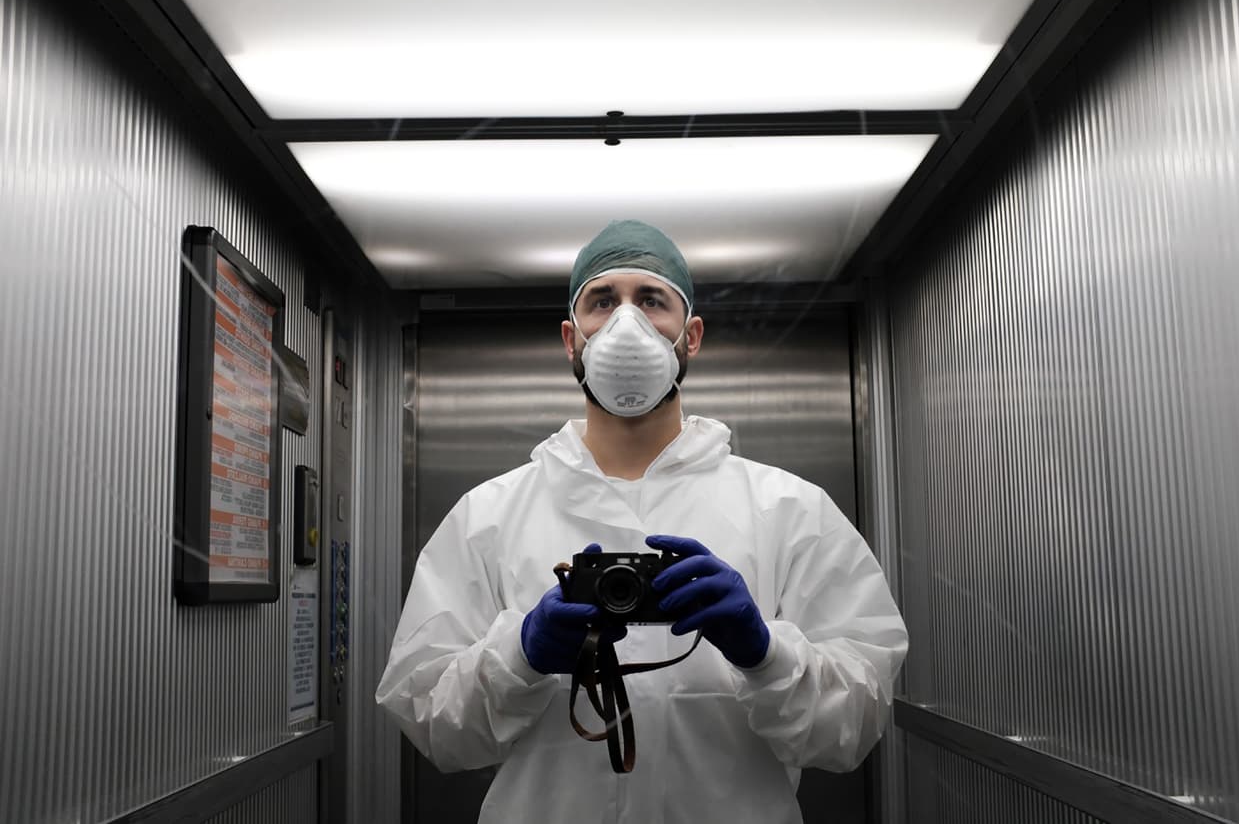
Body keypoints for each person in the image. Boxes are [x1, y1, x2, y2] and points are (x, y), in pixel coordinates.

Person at [376, 219, 908, 824]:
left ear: (692, 335)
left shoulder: (789, 510)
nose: (626, 323)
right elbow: (430, 724)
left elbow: (857, 727)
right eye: (602, 302)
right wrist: (520, 656)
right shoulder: (489, 517)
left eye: (652, 300)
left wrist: (764, 654)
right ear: (571, 339)